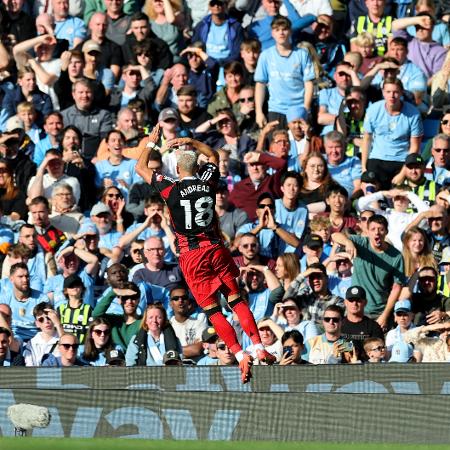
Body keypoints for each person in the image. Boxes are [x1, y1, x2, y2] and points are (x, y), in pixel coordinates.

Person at [136, 127, 276, 383]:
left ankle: (239, 353)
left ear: (177, 170)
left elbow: (140, 168)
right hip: (216, 249)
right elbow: (212, 155)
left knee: (213, 312)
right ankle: (258, 346)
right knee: (236, 301)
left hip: (192, 255)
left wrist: (152, 144)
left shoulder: (170, 189)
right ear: (196, 167)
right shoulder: (207, 181)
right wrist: (190, 141)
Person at [332, 214, 406, 328]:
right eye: (373, 229)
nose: (377, 233)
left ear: (386, 231)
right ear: (367, 231)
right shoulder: (361, 243)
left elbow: (397, 288)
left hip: (379, 311)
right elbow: (335, 235)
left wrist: (385, 315)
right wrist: (348, 242)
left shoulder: (396, 256)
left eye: (381, 229)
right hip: (355, 309)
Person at [361, 78, 423, 189]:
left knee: (400, 195)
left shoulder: (413, 113)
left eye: (396, 92)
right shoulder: (373, 110)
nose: (392, 96)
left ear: (401, 92)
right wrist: (363, 167)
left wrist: (403, 173)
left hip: (401, 161)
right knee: (369, 190)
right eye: (388, 92)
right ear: (383, 92)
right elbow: (367, 139)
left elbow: (415, 146)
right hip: (377, 159)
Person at [254, 15, 314, 128]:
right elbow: (260, 84)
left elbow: (308, 83)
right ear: (272, 33)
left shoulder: (302, 54)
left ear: (290, 31)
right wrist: (259, 112)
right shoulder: (266, 56)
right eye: (277, 30)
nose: (281, 33)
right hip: (276, 110)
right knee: (276, 144)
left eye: (284, 29)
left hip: (298, 109)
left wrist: (306, 108)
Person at [4, 262, 49, 342]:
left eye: (27, 276)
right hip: (12, 339)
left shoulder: (41, 299)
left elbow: (46, 325)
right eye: (20, 277)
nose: (25, 280)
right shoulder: (5, 299)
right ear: (11, 279)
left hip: (35, 340)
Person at [92, 281, 142, 349]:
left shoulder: (144, 322)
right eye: (125, 298)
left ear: (138, 300)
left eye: (133, 298)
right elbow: (96, 315)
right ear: (119, 300)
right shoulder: (113, 320)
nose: (129, 301)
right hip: (115, 358)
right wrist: (114, 292)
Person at [340, 285, 384, 356]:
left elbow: (378, 351)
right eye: (351, 300)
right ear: (345, 302)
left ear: (365, 302)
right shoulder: (338, 324)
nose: (354, 303)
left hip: (367, 365)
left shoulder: (373, 326)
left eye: (358, 300)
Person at [169, 285, 208, 362]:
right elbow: (165, 351)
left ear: (189, 303)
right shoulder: (167, 325)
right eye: (176, 298)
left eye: (184, 298)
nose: (180, 301)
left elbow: (197, 350)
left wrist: (173, 351)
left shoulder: (199, 323)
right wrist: (189, 348)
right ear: (171, 304)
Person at [23, 302, 64, 366]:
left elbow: (67, 345)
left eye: (49, 318)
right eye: (41, 319)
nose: (46, 321)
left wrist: (58, 324)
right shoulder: (31, 343)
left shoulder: (62, 337)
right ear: (37, 323)